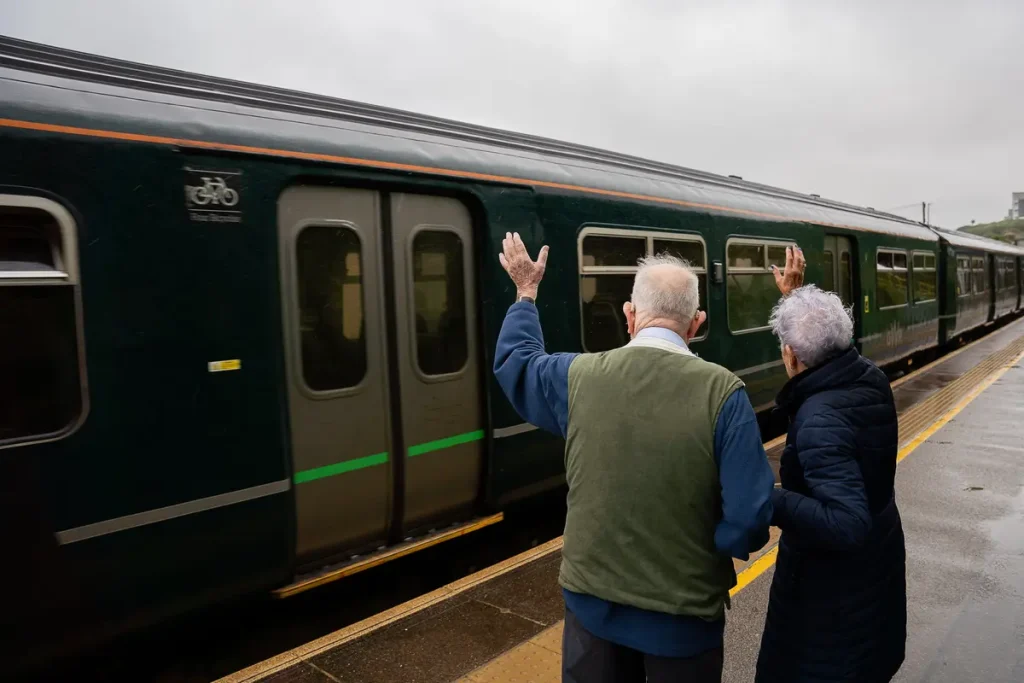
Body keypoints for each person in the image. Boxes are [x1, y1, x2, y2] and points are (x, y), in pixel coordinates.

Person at [492, 232, 784, 683]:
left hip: (592, 613)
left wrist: (526, 293)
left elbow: (517, 361)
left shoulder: (577, 378)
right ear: (697, 323)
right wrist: (710, 551)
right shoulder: (723, 394)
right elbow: (751, 515)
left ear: (630, 316)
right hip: (682, 623)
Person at [754, 284, 908, 682]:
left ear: (791, 355)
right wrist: (794, 296)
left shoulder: (820, 420)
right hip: (875, 570)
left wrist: (770, 500)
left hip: (830, 600)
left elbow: (846, 522)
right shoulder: (868, 378)